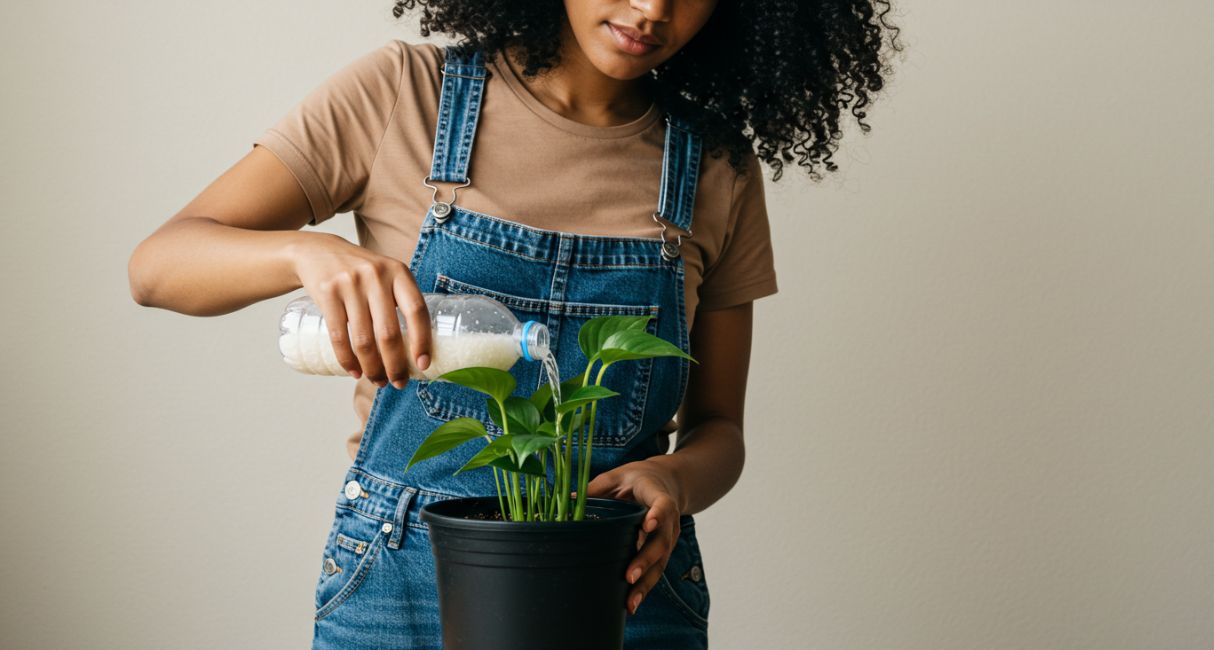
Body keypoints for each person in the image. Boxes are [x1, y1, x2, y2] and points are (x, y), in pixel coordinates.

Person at [128, 1, 902, 647]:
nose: (651, 8)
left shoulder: (716, 168)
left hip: (625, 593)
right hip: (403, 587)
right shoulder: (407, 94)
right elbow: (159, 267)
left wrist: (675, 477)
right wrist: (308, 253)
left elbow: (721, 430)